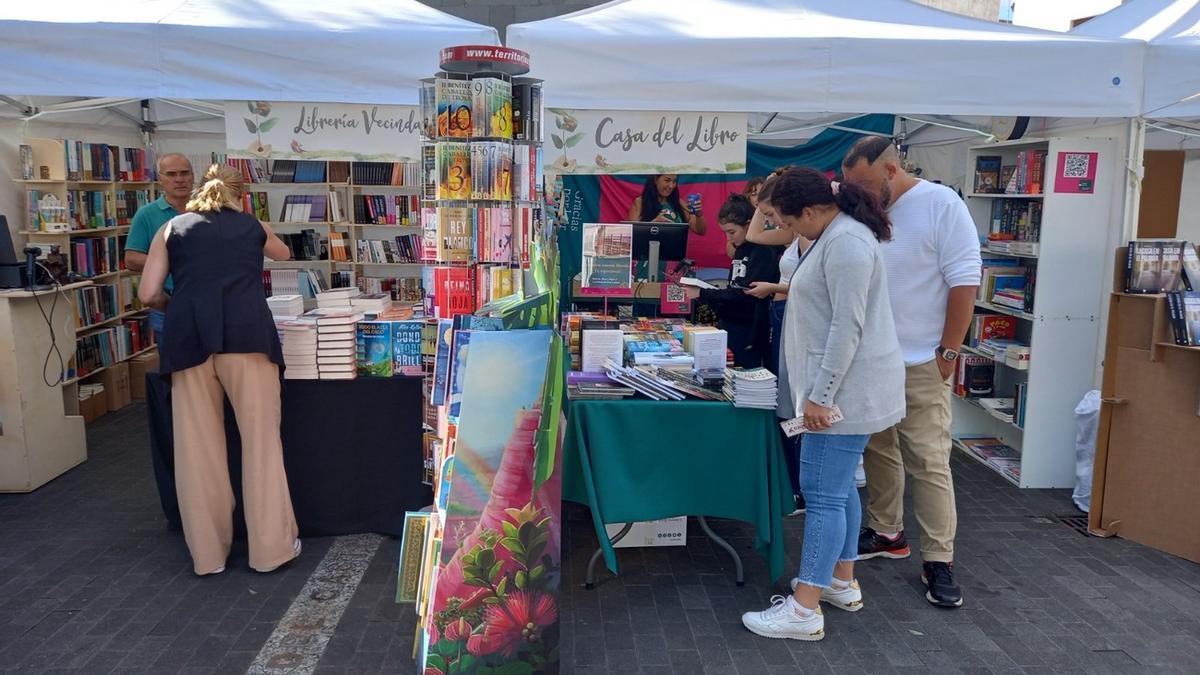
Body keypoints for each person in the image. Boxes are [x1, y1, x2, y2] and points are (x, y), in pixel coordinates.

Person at [741, 167, 904, 642]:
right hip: (842, 390)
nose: (786, 230)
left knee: (823, 493)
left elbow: (846, 327)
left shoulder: (846, 243)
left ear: (810, 211)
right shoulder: (837, 236)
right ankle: (839, 580)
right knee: (840, 488)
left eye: (787, 221)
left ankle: (805, 607)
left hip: (841, 393)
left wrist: (819, 395)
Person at [840, 135, 981, 608]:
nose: (855, 193)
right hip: (873, 360)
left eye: (862, 183)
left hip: (923, 359)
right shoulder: (865, 212)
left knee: (928, 460)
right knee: (879, 450)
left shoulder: (941, 204)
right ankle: (887, 532)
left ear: (890, 171)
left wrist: (948, 353)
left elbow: (965, 281)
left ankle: (939, 558)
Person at [138, 164, 299, 577]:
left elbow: (147, 292)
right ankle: (270, 551)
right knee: (261, 444)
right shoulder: (251, 226)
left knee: (197, 451)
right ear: (239, 193)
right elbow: (284, 255)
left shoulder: (172, 228)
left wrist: (175, 307)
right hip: (248, 337)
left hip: (189, 339)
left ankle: (208, 556)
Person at [681, 194, 781, 368]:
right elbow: (734, 287)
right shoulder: (741, 248)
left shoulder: (763, 251)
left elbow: (745, 292)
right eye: (725, 233)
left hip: (750, 329)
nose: (729, 238)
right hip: (732, 324)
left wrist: (703, 292)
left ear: (749, 224)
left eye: (732, 232)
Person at [125, 153, 195, 343]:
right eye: (171, 174)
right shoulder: (146, 214)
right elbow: (131, 259)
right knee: (175, 367)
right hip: (167, 302)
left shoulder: (207, 210)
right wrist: (170, 262)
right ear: (160, 179)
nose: (179, 179)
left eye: (184, 173)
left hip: (207, 301)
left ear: (193, 176)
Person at [627, 173, 707, 235]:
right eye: (667, 180)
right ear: (655, 179)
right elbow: (631, 236)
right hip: (648, 255)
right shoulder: (640, 203)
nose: (671, 186)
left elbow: (700, 231)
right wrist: (652, 226)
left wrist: (699, 215)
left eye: (674, 181)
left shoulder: (679, 203)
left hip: (675, 255)